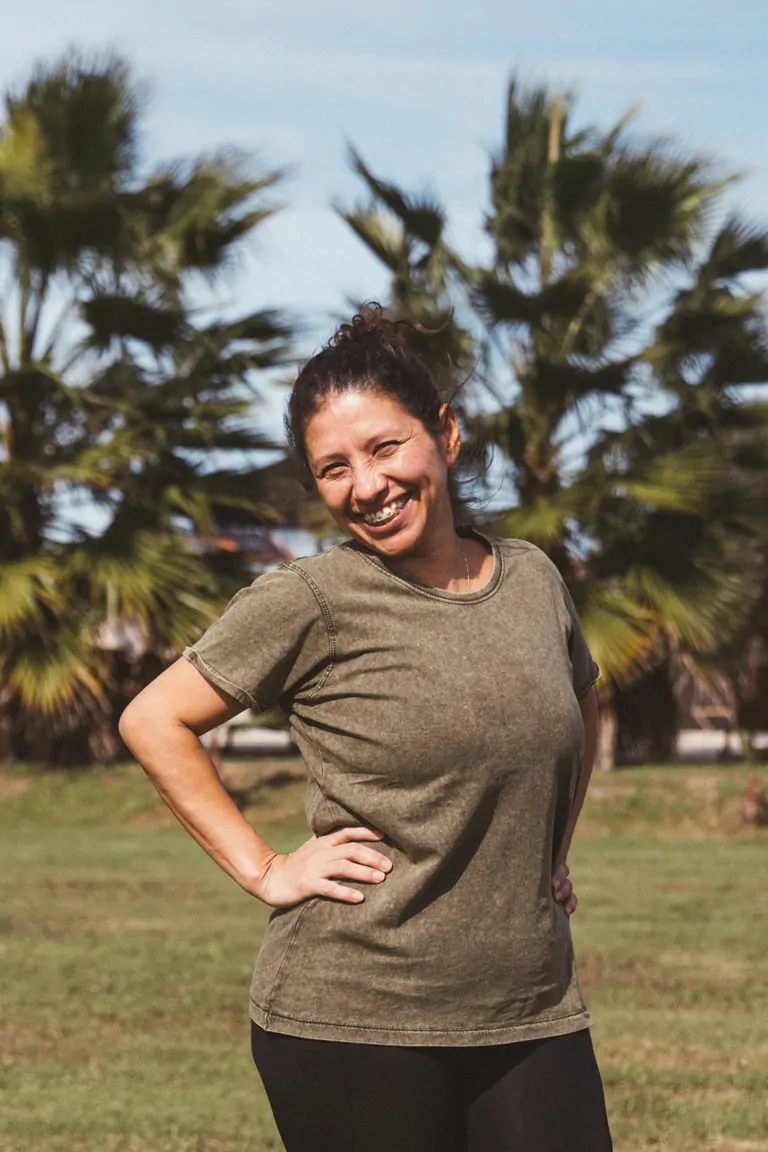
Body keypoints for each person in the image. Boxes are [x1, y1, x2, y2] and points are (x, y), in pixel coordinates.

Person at [119, 304, 613, 1151]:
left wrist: (552, 847)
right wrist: (267, 867)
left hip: (531, 1007)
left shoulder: (533, 579)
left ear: (445, 435)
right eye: (333, 468)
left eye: (385, 448)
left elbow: (582, 700)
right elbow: (153, 718)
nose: (366, 486)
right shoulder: (310, 599)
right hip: (352, 1020)